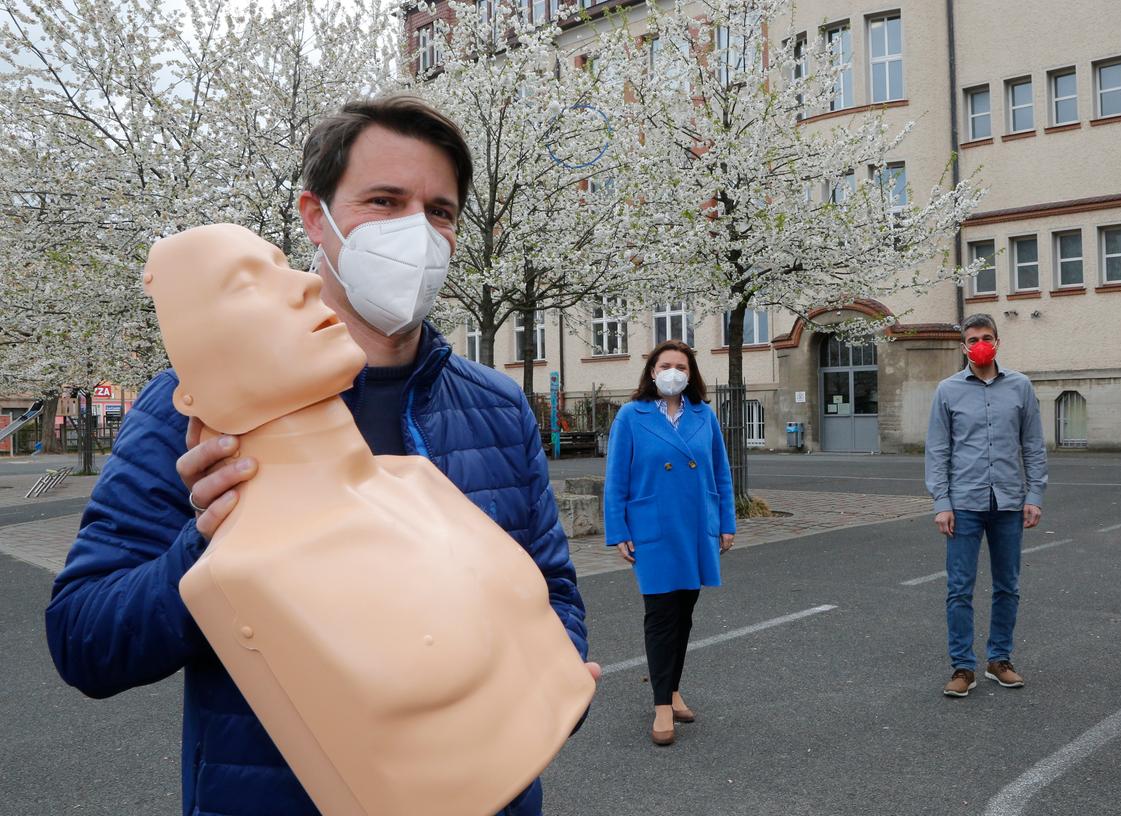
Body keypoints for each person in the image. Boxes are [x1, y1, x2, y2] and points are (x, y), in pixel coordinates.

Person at [45, 94, 596, 816]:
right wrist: (201, 550)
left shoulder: (494, 406)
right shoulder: (199, 407)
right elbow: (84, 638)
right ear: (317, 218)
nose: (416, 232)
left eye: (439, 211)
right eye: (383, 200)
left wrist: (549, 684)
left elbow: (553, 588)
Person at [603, 339, 736, 746]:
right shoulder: (631, 415)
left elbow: (721, 474)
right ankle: (663, 706)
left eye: (681, 365)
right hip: (652, 526)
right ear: (652, 371)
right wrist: (619, 530)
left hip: (696, 526)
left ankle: (673, 688)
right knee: (660, 615)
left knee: (683, 614)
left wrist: (726, 522)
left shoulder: (704, 415)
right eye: (666, 365)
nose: (674, 371)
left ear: (691, 373)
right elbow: (616, 478)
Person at [925, 314, 1046, 698]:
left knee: (1007, 586)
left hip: (1009, 502)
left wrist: (1034, 495)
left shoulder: (1021, 387)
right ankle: (963, 667)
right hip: (963, 504)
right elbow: (938, 450)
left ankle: (999, 660)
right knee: (959, 588)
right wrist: (942, 502)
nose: (981, 343)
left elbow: (1033, 446)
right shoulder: (947, 391)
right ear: (963, 346)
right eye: (973, 338)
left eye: (987, 337)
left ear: (997, 342)